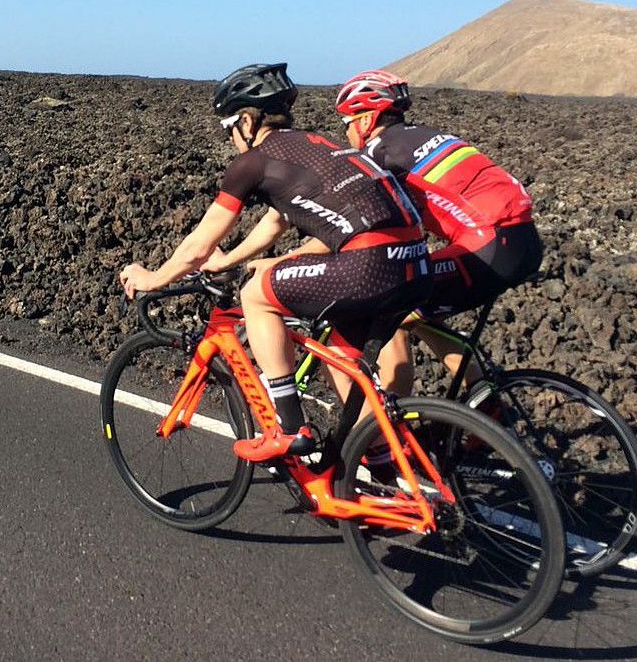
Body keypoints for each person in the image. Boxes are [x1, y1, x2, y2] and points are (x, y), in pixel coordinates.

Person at [119, 63, 431, 463]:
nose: (229, 136)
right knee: (338, 354)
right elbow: (277, 221)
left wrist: (153, 278)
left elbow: (199, 244)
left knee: (257, 296)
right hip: (415, 263)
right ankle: (375, 460)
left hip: (368, 265)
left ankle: (289, 427)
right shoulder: (319, 146)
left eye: (227, 125)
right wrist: (229, 259)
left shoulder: (254, 162)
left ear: (247, 120)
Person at [333, 70, 544, 395]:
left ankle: (392, 430)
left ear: (364, 121)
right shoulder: (428, 135)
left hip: (487, 245)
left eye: (346, 123)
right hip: (524, 239)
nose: (345, 131)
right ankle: (481, 394)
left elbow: (359, 222)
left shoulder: (379, 155)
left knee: (387, 308)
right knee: (419, 306)